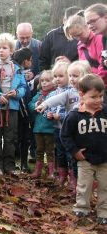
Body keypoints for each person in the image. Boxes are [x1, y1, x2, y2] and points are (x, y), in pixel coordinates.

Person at [36, 61, 92, 191]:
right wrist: (44, 105)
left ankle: (76, 181)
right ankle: (63, 177)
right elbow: (56, 99)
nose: (72, 79)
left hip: (80, 132)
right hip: (63, 130)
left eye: (75, 76)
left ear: (86, 76)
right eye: (70, 75)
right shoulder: (70, 92)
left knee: (73, 156)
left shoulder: (88, 92)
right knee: (61, 154)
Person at [60, 74, 107, 225]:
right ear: (82, 95)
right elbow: (65, 135)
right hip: (85, 158)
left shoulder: (105, 112)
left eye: (101, 96)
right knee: (84, 185)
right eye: (93, 97)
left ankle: (104, 211)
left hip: (105, 158)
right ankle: (82, 208)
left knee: (105, 186)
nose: (98, 100)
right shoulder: (74, 115)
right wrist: (74, 152)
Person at [0, 33, 26, 176]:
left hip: (12, 107)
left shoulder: (17, 68)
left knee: (10, 137)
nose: (1, 50)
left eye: (4, 48)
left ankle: (9, 165)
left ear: (11, 50)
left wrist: (17, 93)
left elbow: (23, 87)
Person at [28, 70, 56, 179]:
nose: (44, 83)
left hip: (50, 128)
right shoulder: (39, 95)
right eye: (42, 80)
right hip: (38, 128)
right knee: (39, 150)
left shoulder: (56, 94)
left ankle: (51, 172)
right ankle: (37, 171)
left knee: (50, 151)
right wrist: (36, 104)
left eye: (47, 81)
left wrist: (52, 113)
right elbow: (30, 105)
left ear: (54, 82)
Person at [64, 13, 107, 83]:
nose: (78, 38)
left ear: (86, 26)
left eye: (79, 34)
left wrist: (96, 84)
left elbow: (103, 65)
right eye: (74, 36)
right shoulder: (80, 45)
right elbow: (82, 68)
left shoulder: (99, 38)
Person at [45, 61, 70, 180]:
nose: (58, 79)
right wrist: (48, 114)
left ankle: (73, 179)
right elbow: (47, 107)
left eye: (61, 76)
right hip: (56, 128)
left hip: (69, 129)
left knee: (69, 153)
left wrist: (60, 116)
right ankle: (62, 177)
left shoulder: (71, 92)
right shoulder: (53, 93)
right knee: (59, 152)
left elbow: (73, 111)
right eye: (55, 76)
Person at [39, 6, 81, 71]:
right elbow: (43, 60)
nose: (75, 26)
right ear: (64, 20)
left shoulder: (83, 36)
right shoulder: (51, 36)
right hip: (53, 76)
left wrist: (71, 65)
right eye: (72, 22)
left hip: (76, 76)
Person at [12, 48, 33, 172]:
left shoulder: (17, 69)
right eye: (30, 60)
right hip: (21, 109)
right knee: (24, 136)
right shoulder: (17, 70)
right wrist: (27, 114)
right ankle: (23, 163)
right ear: (25, 61)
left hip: (17, 108)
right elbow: (22, 92)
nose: (31, 63)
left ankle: (18, 161)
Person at [84, 3, 107, 103]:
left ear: (106, 16)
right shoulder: (103, 39)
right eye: (87, 23)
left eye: (92, 21)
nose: (90, 26)